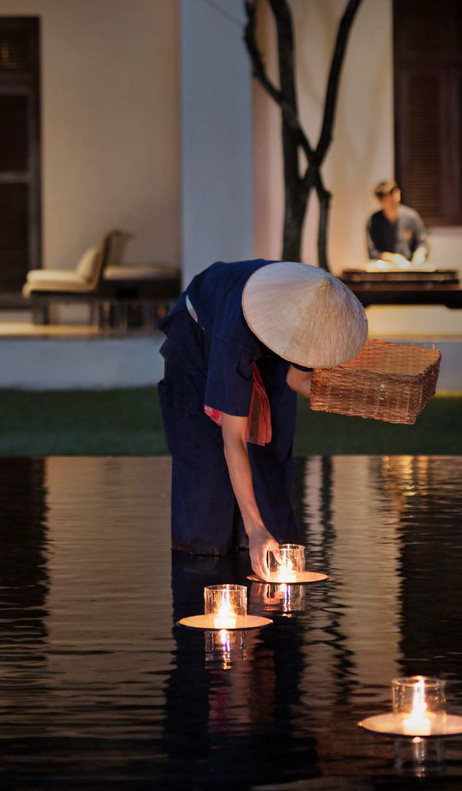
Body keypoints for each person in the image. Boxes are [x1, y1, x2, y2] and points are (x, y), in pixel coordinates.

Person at [157, 260, 367, 578]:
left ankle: (268, 573)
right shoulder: (236, 336)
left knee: (270, 467)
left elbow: (297, 380)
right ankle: (211, 571)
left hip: (263, 350)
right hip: (201, 347)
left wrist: (358, 401)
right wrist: (255, 528)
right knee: (208, 493)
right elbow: (234, 439)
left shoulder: (311, 314)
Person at [366, 179, 429, 266]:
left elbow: (422, 242)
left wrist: (420, 253)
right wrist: (391, 257)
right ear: (380, 201)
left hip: (409, 266)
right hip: (384, 269)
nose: (393, 202)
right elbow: (372, 251)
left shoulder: (411, 216)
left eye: (394, 197)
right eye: (388, 200)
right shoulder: (374, 220)